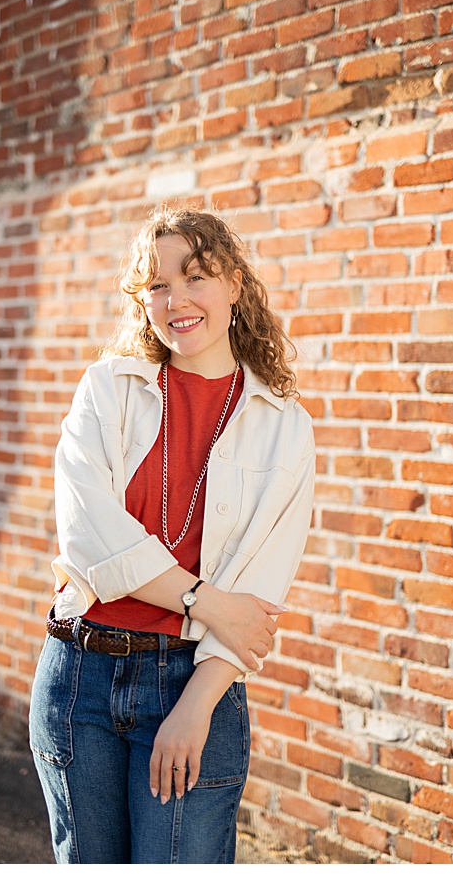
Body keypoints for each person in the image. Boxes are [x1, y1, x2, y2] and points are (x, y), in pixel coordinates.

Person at [29, 206, 315, 864]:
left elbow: (258, 583)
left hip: (193, 680)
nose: (176, 299)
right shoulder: (107, 390)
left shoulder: (284, 427)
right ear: (142, 299)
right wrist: (204, 597)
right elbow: (85, 538)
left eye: (196, 276)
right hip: (80, 676)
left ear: (236, 284)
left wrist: (197, 706)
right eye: (157, 284)